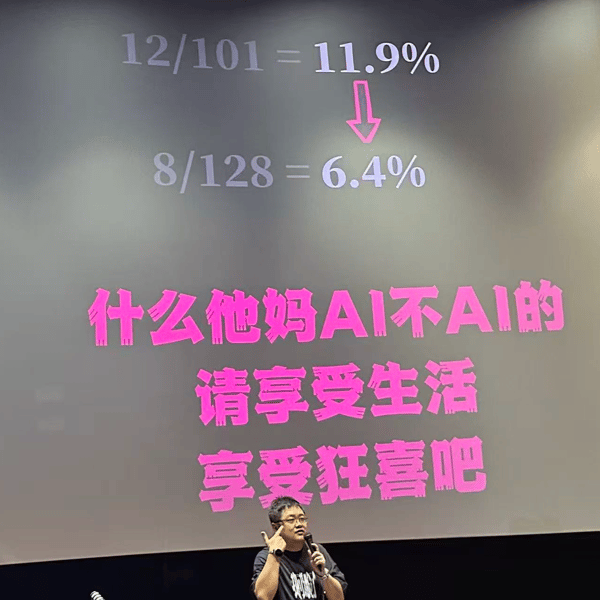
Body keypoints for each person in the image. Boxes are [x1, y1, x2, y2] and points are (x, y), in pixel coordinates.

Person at [251, 496, 348, 600]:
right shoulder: (266, 556)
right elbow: (263, 596)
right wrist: (274, 555)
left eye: (302, 519)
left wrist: (323, 575)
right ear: (276, 527)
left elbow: (338, 598)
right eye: (291, 520)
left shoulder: (316, 551)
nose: (299, 524)